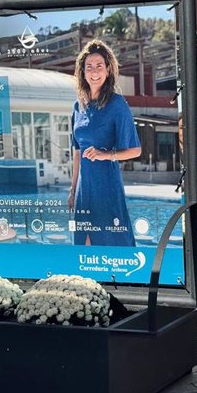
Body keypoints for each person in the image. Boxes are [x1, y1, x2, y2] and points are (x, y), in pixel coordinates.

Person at [69, 39, 141, 246]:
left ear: (108, 70)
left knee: (111, 241)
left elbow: (135, 150)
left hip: (106, 184)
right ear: (82, 72)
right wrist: (73, 189)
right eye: (89, 67)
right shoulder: (77, 106)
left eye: (99, 66)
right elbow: (77, 151)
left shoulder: (117, 104)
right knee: (84, 244)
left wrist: (105, 155)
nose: (94, 71)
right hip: (84, 186)